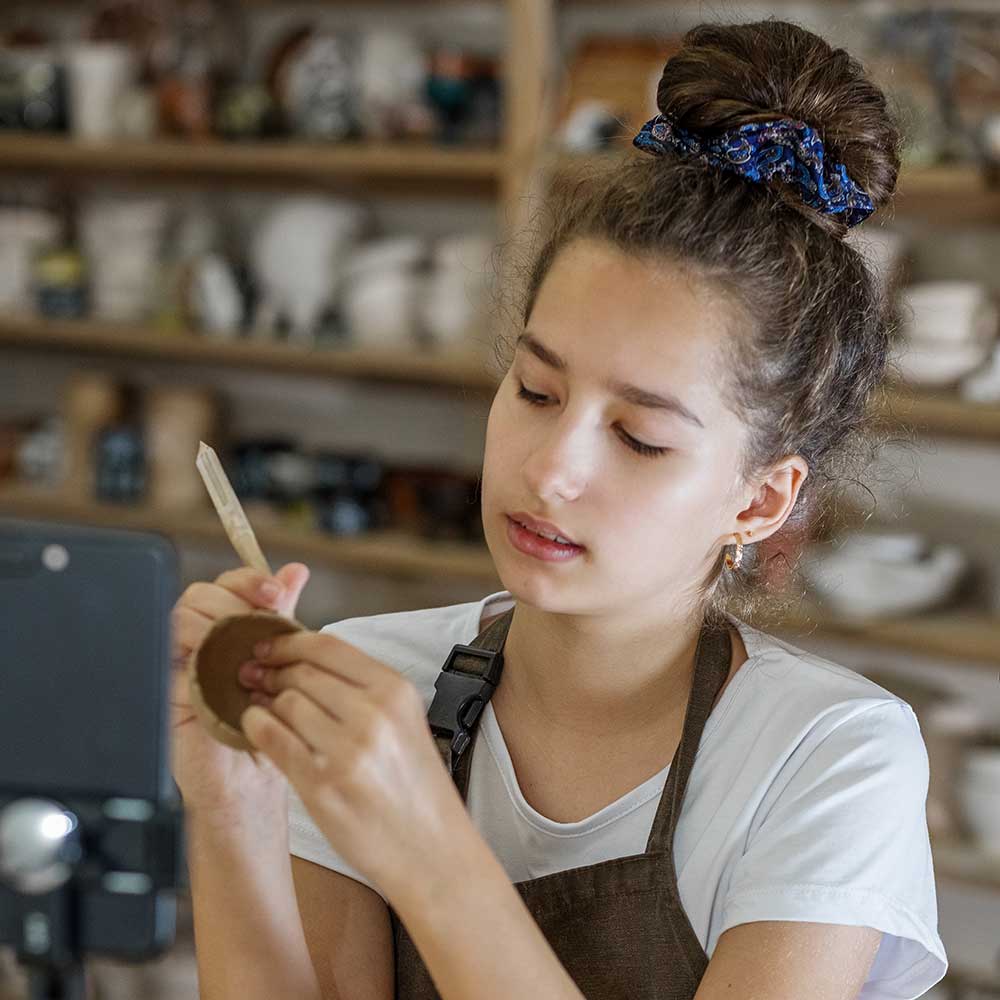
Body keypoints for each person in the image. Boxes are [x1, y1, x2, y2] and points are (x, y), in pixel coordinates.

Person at [170, 18, 949, 1000]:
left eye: (639, 438)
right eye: (535, 392)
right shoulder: (378, 685)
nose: (549, 470)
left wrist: (422, 841)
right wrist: (233, 803)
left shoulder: (826, 756)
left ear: (759, 498)